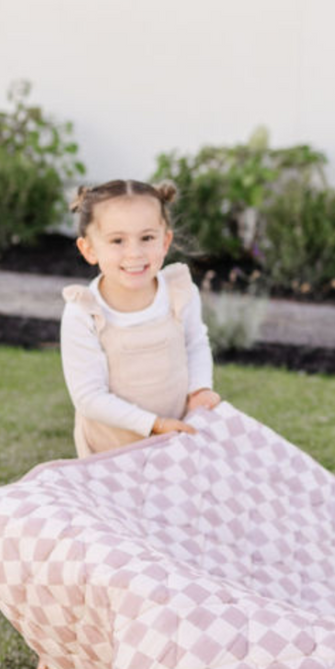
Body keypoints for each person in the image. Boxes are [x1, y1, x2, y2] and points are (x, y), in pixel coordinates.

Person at [60, 178, 221, 460]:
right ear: (89, 250)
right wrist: (154, 425)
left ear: (165, 241)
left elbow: (195, 344)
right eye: (117, 241)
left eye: (147, 238)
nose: (134, 253)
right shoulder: (84, 312)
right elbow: (88, 397)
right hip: (111, 449)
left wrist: (200, 389)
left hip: (176, 436)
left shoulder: (180, 293)